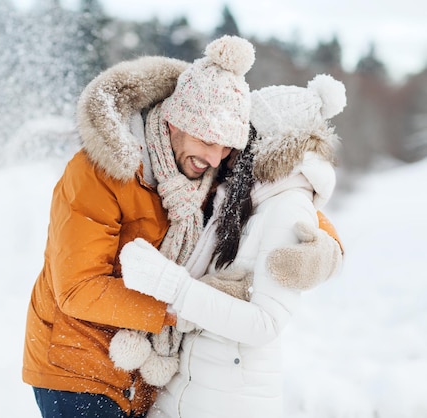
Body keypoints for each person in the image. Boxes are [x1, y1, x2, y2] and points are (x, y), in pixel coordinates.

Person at [22, 34, 343, 418]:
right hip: (78, 364)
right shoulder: (100, 170)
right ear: (176, 121)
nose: (213, 157)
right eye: (207, 140)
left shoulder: (209, 173)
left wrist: (328, 246)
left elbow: (275, 199)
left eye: (226, 148)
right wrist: (178, 308)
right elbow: (77, 288)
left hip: (146, 376)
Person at [119, 74, 347, 417]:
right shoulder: (242, 198)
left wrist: (173, 286)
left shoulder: (286, 207)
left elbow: (265, 323)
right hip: (189, 390)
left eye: (239, 135)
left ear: (263, 140)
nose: (225, 147)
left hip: (228, 401)